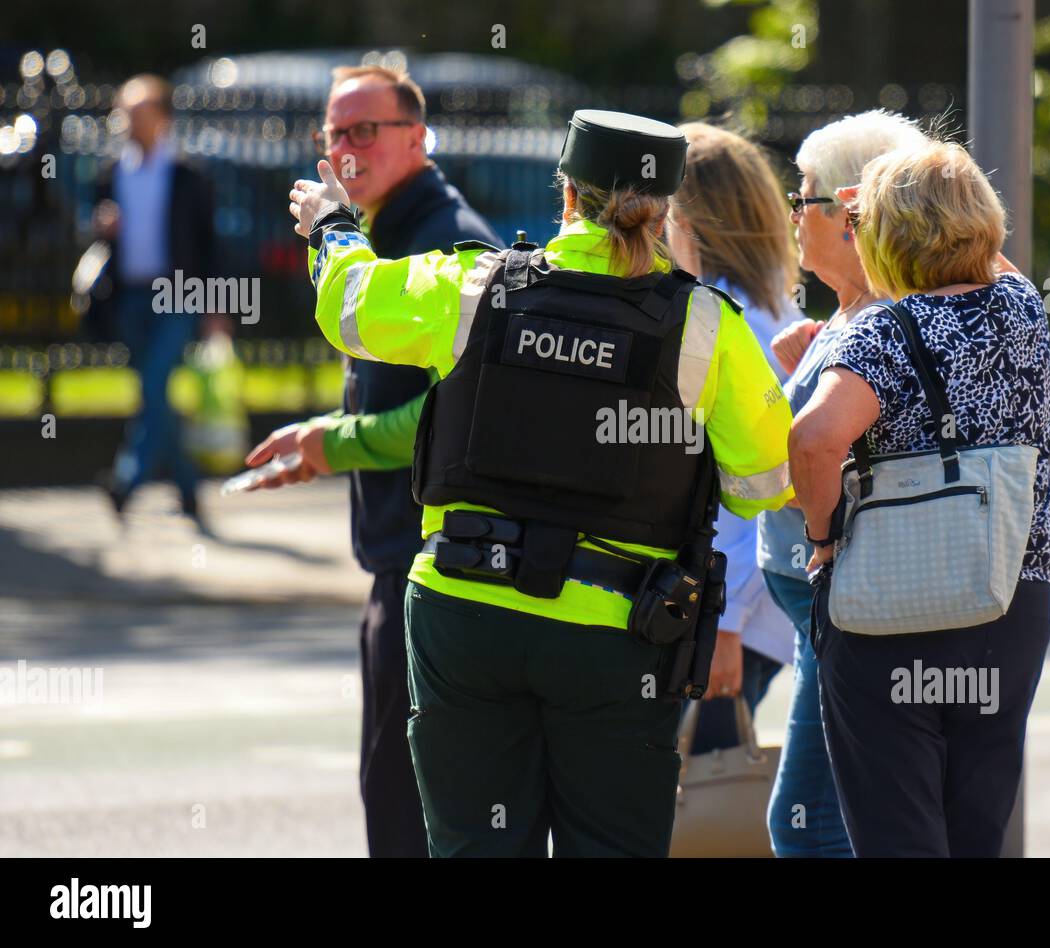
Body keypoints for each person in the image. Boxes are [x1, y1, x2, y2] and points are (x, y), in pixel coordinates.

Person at [288, 109, 795, 857]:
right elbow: (762, 483)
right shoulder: (705, 327)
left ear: (567, 195)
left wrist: (334, 227)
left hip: (466, 614)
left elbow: (352, 306)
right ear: (664, 214)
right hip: (619, 635)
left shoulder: (473, 282)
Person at [241, 64, 500, 858]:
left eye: (366, 130)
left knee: (404, 809)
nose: (346, 148)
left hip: (440, 568)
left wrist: (335, 445)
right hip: (399, 557)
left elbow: (462, 416)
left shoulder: (449, 240)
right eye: (334, 132)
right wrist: (324, 434)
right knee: (395, 798)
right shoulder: (378, 231)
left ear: (417, 138)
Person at [788, 138, 1050, 857]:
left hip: (891, 608)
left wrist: (822, 539)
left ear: (880, 233)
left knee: (898, 831)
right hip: (1009, 594)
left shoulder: (880, 333)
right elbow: (982, 254)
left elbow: (813, 442)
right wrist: (920, 191)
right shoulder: (1021, 305)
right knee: (975, 827)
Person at [760, 111, 927, 858]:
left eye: (804, 198)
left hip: (847, 607)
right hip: (825, 613)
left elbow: (822, 451)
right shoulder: (853, 313)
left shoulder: (887, 317)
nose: (793, 216)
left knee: (808, 824)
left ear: (851, 211)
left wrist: (816, 535)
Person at [664, 122, 801, 751]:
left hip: (724, 616)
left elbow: (745, 488)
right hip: (746, 611)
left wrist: (722, 623)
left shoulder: (718, 318)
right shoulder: (775, 314)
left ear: (688, 219)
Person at [94, 74, 214, 526]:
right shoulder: (111, 172)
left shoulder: (187, 173)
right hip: (129, 295)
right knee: (156, 393)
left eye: (139, 111)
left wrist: (216, 307)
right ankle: (188, 489)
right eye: (125, 111)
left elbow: (209, 243)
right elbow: (97, 232)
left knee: (154, 384)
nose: (129, 120)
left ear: (162, 118)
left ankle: (126, 481)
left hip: (177, 295)